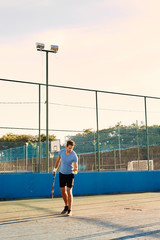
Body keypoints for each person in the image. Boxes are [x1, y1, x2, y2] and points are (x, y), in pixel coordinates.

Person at [52, 140, 78, 216]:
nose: (70, 150)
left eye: (72, 148)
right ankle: (66, 206)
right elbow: (58, 161)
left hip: (70, 174)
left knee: (69, 191)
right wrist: (54, 169)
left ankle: (70, 210)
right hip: (62, 174)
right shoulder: (61, 152)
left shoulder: (74, 155)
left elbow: (76, 166)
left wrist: (76, 169)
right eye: (69, 148)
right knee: (63, 191)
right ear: (66, 146)